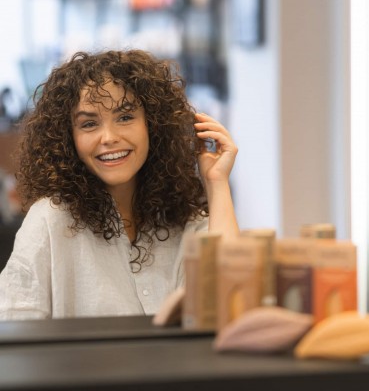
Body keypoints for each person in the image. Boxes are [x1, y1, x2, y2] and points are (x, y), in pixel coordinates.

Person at [0, 49, 239, 320]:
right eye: (89, 124)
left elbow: (230, 298)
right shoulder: (50, 219)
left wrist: (216, 182)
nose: (109, 137)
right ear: (69, 138)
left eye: (125, 117)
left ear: (153, 124)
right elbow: (14, 328)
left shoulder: (184, 218)